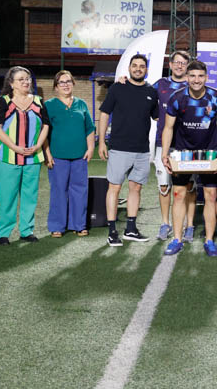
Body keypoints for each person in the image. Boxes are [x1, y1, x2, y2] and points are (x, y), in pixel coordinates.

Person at [161, 59, 217, 257]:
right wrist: (165, 153)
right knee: (179, 195)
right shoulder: (176, 98)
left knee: (210, 196)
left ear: (206, 77)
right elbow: (168, 127)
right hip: (182, 153)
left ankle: (209, 240)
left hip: (209, 152)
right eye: (192, 76)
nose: (196, 80)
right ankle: (177, 239)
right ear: (187, 77)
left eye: (200, 76)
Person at [98, 55, 158, 246]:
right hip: (119, 148)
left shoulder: (151, 92)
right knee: (114, 188)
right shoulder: (117, 88)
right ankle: (112, 231)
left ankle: (130, 229)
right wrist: (101, 142)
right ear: (129, 68)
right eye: (135, 66)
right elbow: (105, 113)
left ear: (146, 70)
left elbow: (158, 117)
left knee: (136, 188)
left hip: (141, 150)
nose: (138, 69)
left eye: (142, 66)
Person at [0, 66, 50, 245]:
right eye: (21, 79)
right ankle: (4, 233)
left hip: (33, 157)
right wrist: (14, 147)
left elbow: (46, 125)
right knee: (8, 196)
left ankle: (26, 231)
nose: (26, 82)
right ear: (11, 83)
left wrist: (38, 145)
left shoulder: (39, 102)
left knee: (30, 195)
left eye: (28, 78)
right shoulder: (4, 101)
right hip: (7, 156)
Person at [152, 51, 197, 241]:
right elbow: (142, 97)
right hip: (164, 143)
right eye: (176, 62)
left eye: (183, 63)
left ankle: (189, 225)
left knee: (190, 186)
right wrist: (124, 80)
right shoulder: (159, 85)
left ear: (187, 66)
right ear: (170, 64)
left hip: (188, 145)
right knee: (164, 186)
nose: (179, 66)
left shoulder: (194, 85)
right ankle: (165, 224)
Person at [44, 70, 95, 238]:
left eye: (68, 81)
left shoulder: (81, 104)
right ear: (56, 87)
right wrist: (47, 153)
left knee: (79, 191)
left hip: (79, 156)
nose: (65, 85)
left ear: (73, 83)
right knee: (58, 190)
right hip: (58, 156)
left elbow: (89, 128)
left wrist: (90, 148)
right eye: (61, 82)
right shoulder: (49, 105)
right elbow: (44, 132)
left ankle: (79, 225)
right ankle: (57, 225)